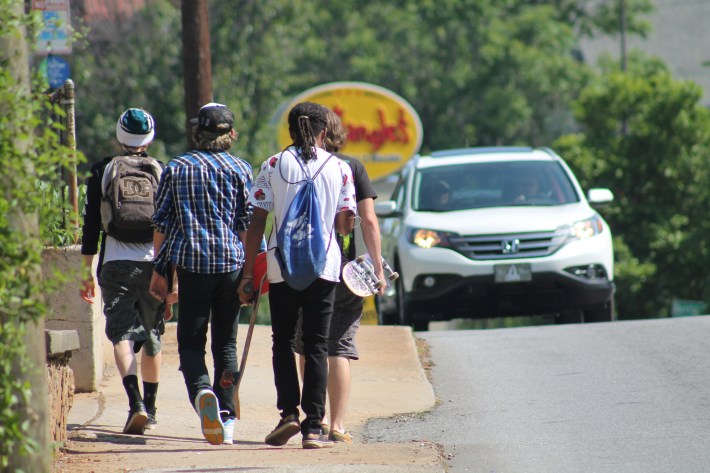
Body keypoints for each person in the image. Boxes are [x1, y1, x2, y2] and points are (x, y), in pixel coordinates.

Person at [237, 102, 356, 449]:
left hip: (281, 266)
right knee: (318, 345)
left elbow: (257, 221)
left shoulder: (273, 164)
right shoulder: (339, 168)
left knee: (283, 340)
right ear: (323, 132)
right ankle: (314, 427)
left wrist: (249, 273)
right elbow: (344, 224)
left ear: (290, 131)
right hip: (325, 266)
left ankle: (289, 413)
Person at [149, 102, 253, 446]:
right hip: (231, 265)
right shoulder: (241, 169)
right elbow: (245, 225)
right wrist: (249, 272)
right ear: (231, 134)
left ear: (198, 132)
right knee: (226, 342)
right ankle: (225, 414)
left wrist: (160, 270)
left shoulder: (177, 167)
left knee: (191, 343)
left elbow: (162, 223)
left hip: (192, 266)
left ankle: (201, 391)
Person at [293, 108, 384, 444]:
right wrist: (377, 267)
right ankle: (338, 424)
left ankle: (311, 416)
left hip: (306, 266)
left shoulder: (295, 163)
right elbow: (369, 221)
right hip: (347, 271)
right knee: (340, 347)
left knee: (308, 343)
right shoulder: (352, 166)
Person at [79, 108, 166, 435]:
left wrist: (86, 271)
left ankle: (135, 404)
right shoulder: (161, 169)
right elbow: (170, 226)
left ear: (119, 135)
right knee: (152, 336)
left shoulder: (102, 170)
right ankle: (152, 409)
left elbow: (91, 226)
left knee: (121, 335)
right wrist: (170, 273)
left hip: (115, 263)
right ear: (150, 137)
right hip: (153, 263)